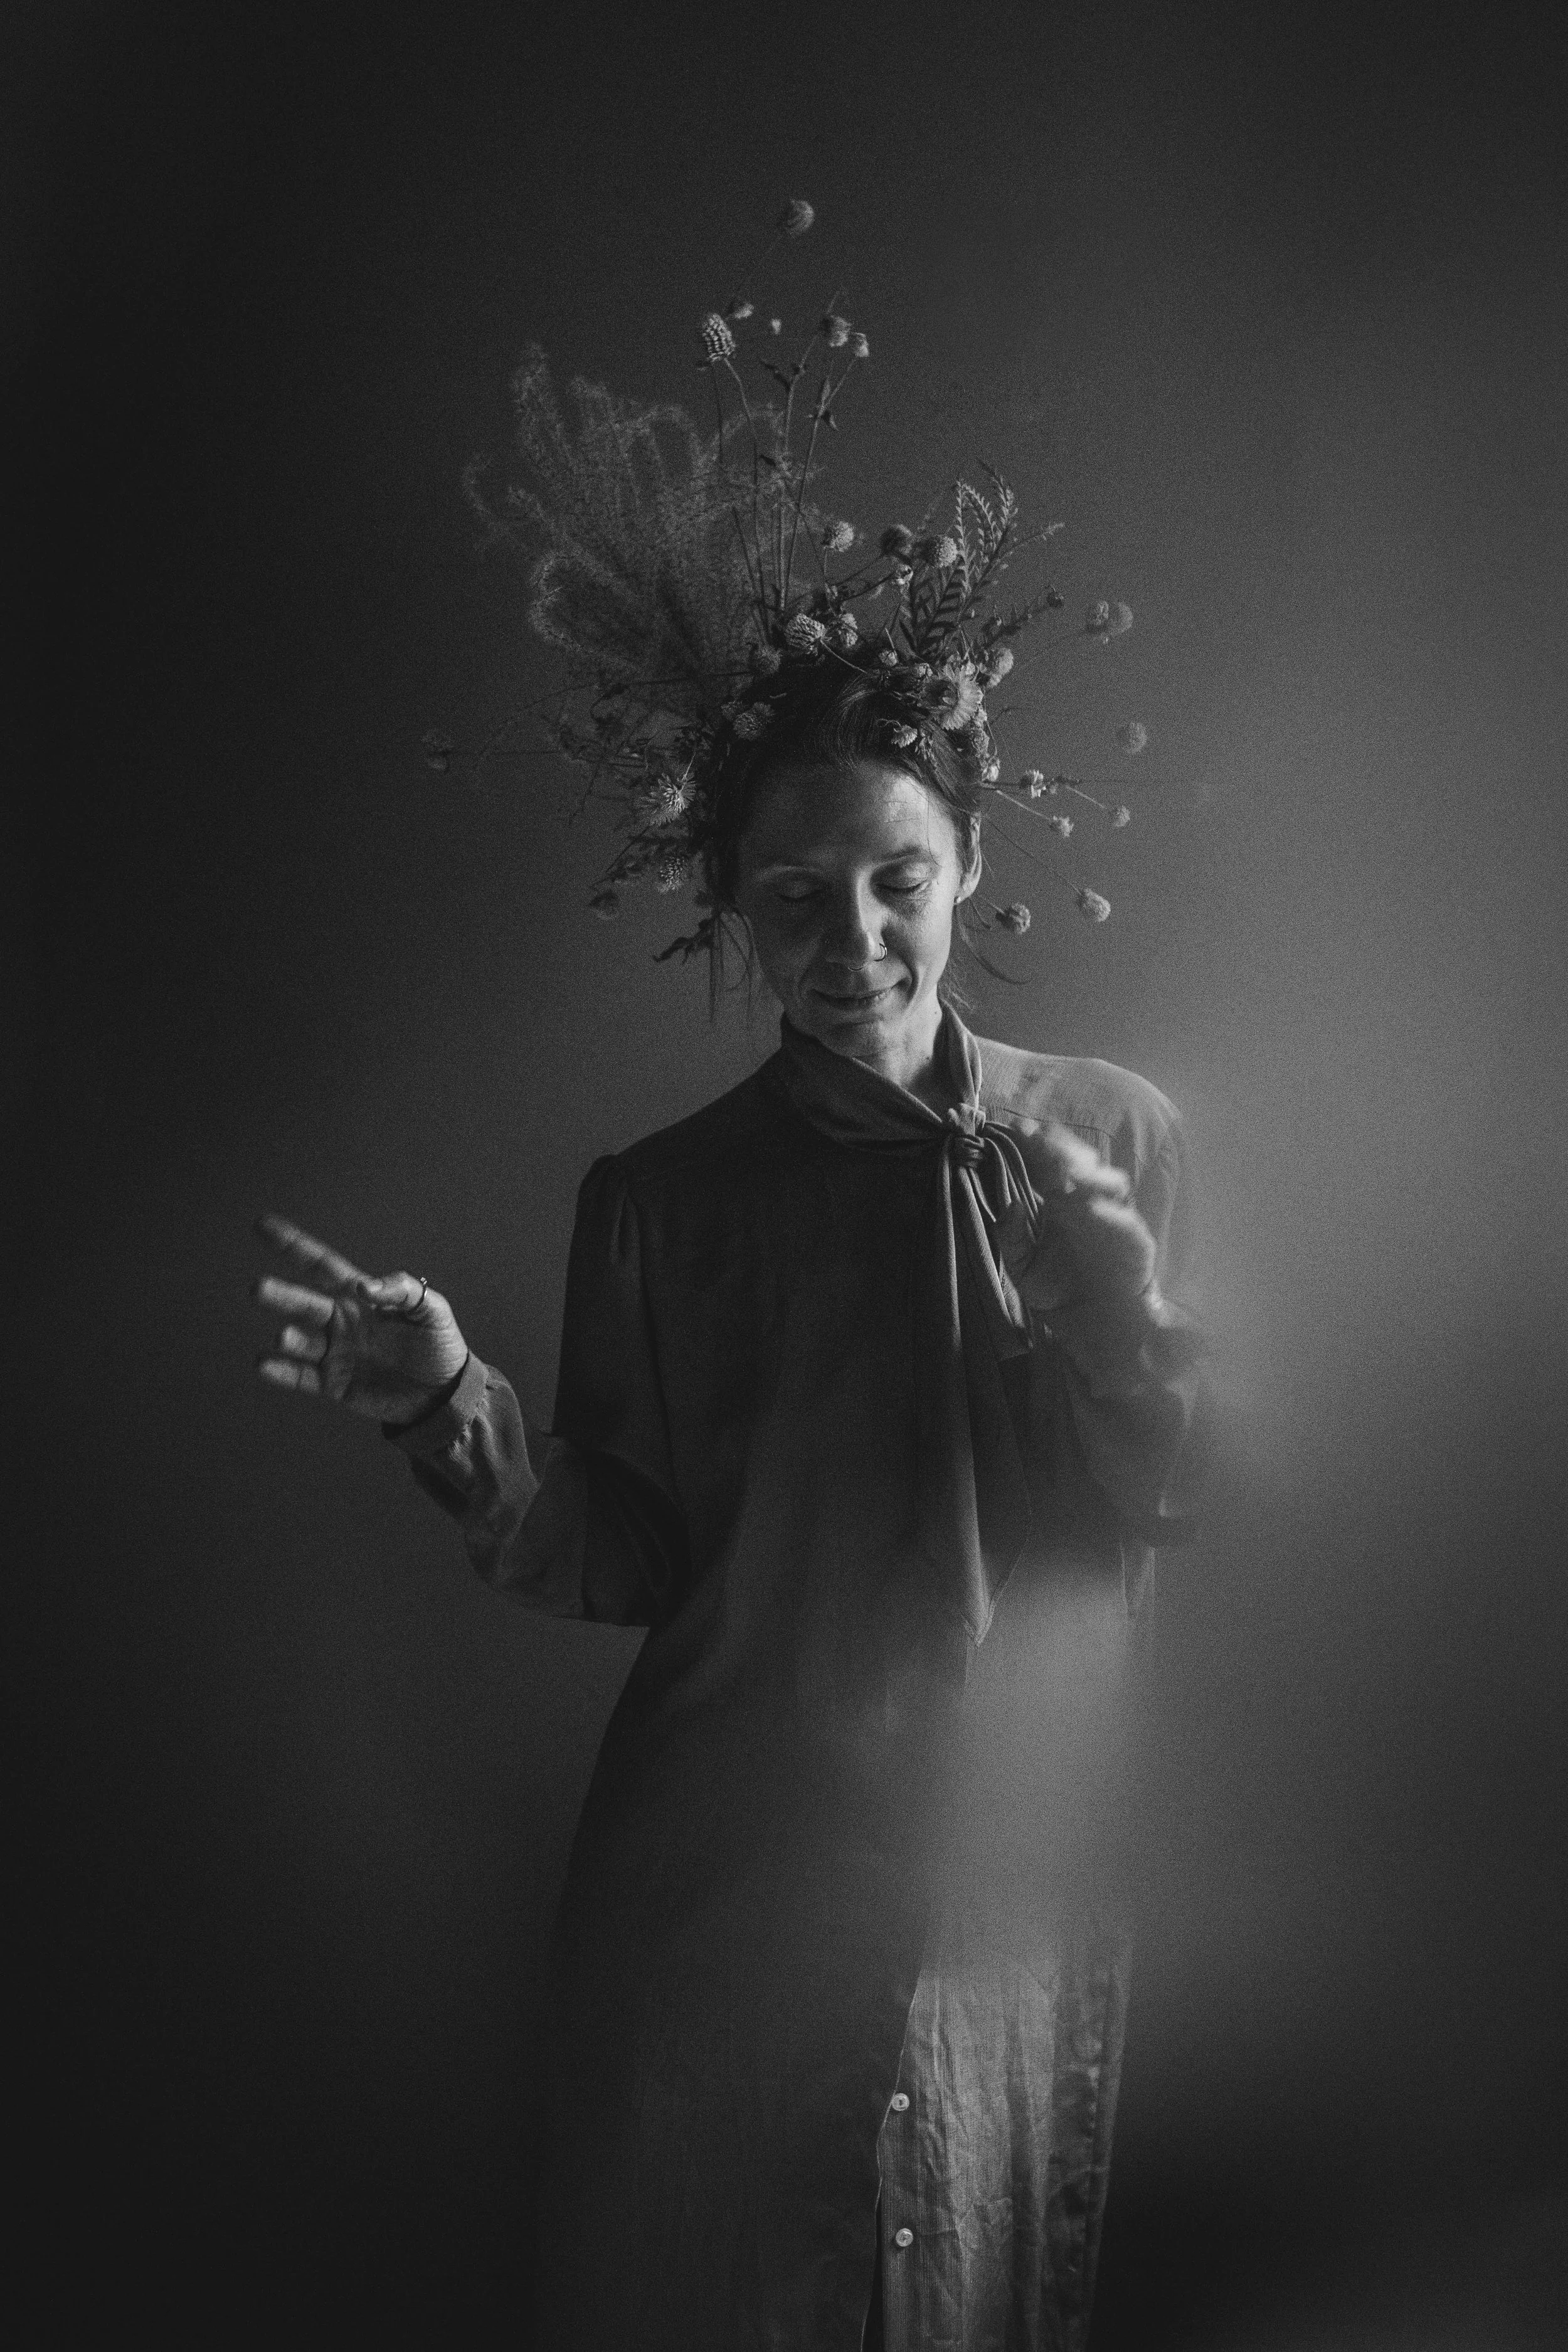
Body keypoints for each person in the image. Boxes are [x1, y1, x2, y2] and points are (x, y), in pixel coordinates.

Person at [253, 257, 1204, 2349]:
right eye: (794, 895)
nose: (852, 932)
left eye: (897, 877)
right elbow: (620, 1551)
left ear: (964, 861)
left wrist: (1109, 1297)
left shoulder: (1107, 1133)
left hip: (993, 1896)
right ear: (731, 910)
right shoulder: (661, 1207)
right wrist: (452, 1409)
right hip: (715, 1892)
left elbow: (1170, 1503)